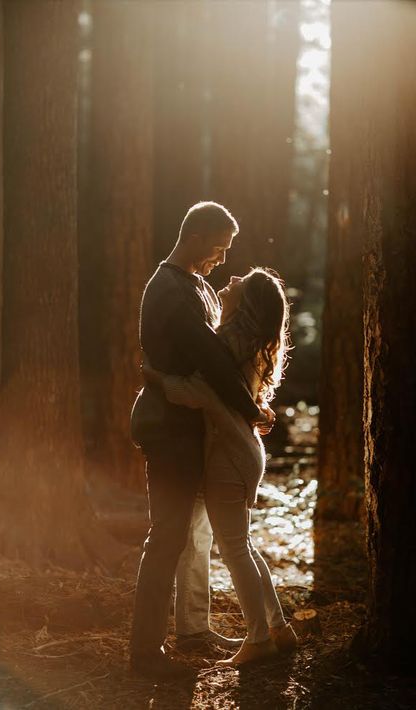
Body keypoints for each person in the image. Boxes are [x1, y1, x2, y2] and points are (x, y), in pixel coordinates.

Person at [129, 202, 271, 680]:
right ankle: (145, 652)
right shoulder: (169, 289)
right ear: (195, 236)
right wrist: (250, 411)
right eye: (218, 247)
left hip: (193, 432)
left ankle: (194, 630)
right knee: (167, 536)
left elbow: (222, 357)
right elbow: (211, 359)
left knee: (196, 534)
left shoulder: (198, 286)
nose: (221, 258)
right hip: (168, 430)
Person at [144, 267, 298, 666]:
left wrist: (157, 379)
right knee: (242, 544)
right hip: (243, 451)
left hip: (229, 456)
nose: (229, 281)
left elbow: (200, 392)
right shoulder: (246, 344)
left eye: (239, 283)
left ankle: (259, 637)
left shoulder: (229, 343)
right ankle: (279, 627)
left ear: (245, 302)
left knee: (234, 549)